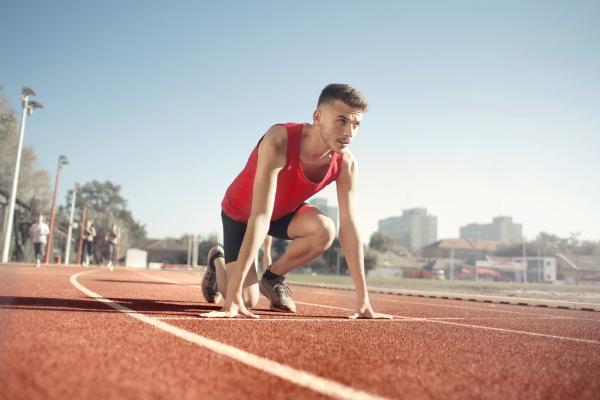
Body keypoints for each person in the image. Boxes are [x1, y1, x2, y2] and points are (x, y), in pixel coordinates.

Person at [202, 83, 391, 320]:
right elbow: (259, 216)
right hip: (241, 214)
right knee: (247, 299)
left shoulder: (346, 164)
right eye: (342, 121)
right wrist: (232, 297)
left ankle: (272, 279)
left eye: (356, 124)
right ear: (318, 117)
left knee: (324, 229)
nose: (350, 133)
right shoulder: (279, 140)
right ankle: (216, 261)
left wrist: (363, 300)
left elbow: (350, 227)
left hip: (282, 214)